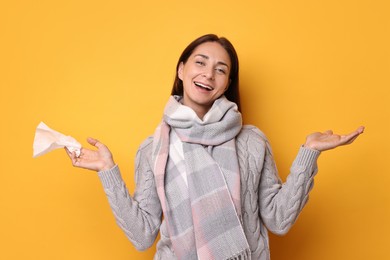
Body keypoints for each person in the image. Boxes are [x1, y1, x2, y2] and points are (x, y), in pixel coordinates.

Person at [66, 34, 364, 260]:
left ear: (227, 83)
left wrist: (308, 153)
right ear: (181, 70)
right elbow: (143, 236)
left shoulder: (251, 142)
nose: (208, 74)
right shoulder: (153, 149)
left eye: (220, 69)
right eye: (200, 62)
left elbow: (279, 220)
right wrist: (108, 171)